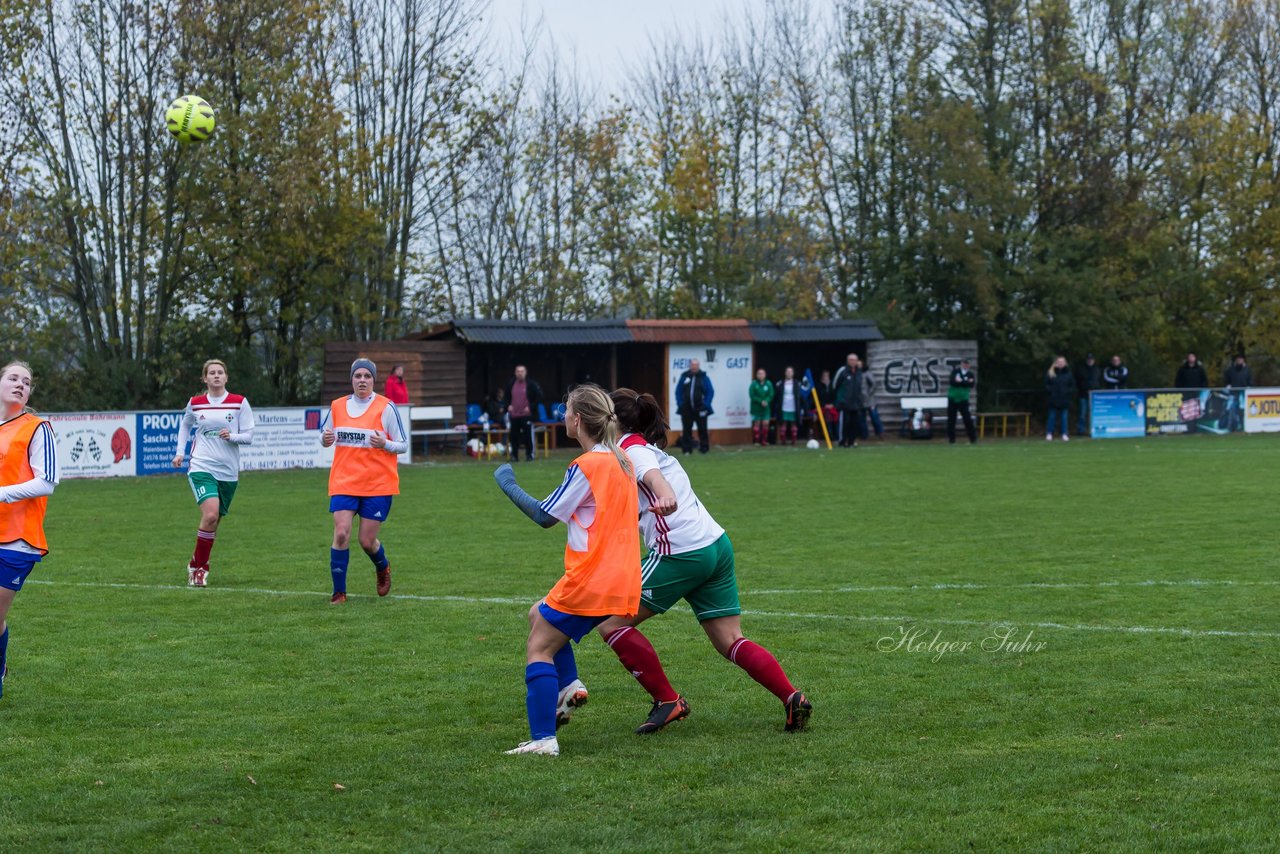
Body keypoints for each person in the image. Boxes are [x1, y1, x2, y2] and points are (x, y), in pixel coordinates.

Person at [564, 389, 811, 735]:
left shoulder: (632, 451)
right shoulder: (642, 448)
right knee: (729, 640)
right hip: (715, 546)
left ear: (612, 420)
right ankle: (791, 697)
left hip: (679, 553)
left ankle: (668, 701)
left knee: (610, 623)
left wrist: (663, 495)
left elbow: (653, 479)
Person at [491, 384, 642, 756]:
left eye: (566, 412)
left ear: (577, 420)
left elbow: (545, 515)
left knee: (539, 646)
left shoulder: (588, 465)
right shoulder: (623, 461)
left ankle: (543, 739)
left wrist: (507, 483)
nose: (563, 418)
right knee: (536, 615)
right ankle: (570, 686)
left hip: (592, 576)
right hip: (622, 577)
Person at [320, 358, 406, 604]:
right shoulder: (337, 406)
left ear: (373, 380)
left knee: (366, 541)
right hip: (344, 481)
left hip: (377, 484)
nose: (362, 380)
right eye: (357, 376)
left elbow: (403, 444)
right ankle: (339, 592)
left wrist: (385, 444)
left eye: (367, 376)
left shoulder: (386, 407)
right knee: (341, 533)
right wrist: (325, 439)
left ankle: (383, 566)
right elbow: (325, 435)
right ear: (352, 379)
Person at [0, 361, 59, 702]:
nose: (21, 384)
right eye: (13, 378)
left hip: (19, 539)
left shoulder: (37, 427)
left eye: (27, 381)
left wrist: (3, 494)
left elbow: (47, 481)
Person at [171, 359, 255, 587]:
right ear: (205, 378)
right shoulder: (196, 403)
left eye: (220, 373)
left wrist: (233, 436)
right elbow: (185, 425)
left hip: (228, 472)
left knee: (214, 521)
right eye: (212, 373)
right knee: (210, 515)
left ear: (226, 377)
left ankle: (195, 561)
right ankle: (201, 569)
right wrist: (180, 453)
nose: (216, 376)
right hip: (201, 466)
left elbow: (248, 436)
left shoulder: (239, 403)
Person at [674, 358, 714, 454]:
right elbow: (678, 391)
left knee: (702, 429)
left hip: (701, 408)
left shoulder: (704, 377)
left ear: (698, 366)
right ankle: (687, 450)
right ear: (690, 366)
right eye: (693, 365)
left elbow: (710, 392)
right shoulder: (684, 376)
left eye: (696, 365)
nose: (694, 367)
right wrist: (681, 404)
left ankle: (704, 449)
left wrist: (706, 404)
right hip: (686, 408)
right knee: (686, 429)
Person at [505, 365, 544, 462]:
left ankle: (529, 455)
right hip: (514, 415)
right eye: (518, 371)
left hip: (527, 415)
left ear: (525, 372)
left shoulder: (531, 384)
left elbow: (540, 397)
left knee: (528, 436)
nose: (520, 373)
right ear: (515, 373)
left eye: (522, 371)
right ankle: (514, 456)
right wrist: (508, 406)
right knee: (514, 437)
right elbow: (506, 397)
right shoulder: (511, 384)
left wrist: (530, 407)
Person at [832, 354, 860, 447]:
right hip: (844, 403)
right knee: (844, 424)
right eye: (851, 360)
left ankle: (851, 442)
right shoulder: (842, 371)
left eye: (854, 360)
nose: (852, 362)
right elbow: (835, 385)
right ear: (848, 360)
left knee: (854, 424)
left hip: (855, 403)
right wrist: (839, 399)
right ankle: (842, 441)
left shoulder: (858, 372)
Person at [947, 358, 977, 444]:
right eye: (964, 364)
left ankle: (973, 439)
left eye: (967, 364)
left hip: (963, 399)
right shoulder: (955, 372)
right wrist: (965, 382)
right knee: (951, 419)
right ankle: (951, 440)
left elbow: (971, 384)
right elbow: (952, 382)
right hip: (953, 398)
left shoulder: (970, 374)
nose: (965, 365)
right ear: (961, 364)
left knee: (967, 419)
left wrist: (961, 381)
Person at [1044, 356, 1074, 441]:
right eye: (1059, 362)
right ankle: (1049, 433)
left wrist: (1067, 392)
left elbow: (1072, 385)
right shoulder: (1050, 373)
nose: (1060, 363)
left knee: (1064, 417)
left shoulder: (1068, 373)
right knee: (1051, 416)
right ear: (1056, 363)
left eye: (1062, 362)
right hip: (1053, 399)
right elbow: (1046, 385)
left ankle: (1064, 434)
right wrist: (1051, 392)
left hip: (1064, 399)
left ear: (1065, 363)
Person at [773, 367, 802, 445]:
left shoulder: (797, 383)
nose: (789, 373)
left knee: (793, 423)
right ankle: (783, 441)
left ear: (793, 373)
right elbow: (776, 396)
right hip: (784, 406)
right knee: (783, 423)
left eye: (791, 371)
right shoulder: (780, 383)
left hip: (793, 406)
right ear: (785, 373)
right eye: (787, 371)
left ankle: (793, 441)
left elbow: (801, 396)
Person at [1075, 353, 1101, 435]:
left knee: (1094, 414)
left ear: (1094, 360)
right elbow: (1078, 381)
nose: (1090, 360)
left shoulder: (1097, 369)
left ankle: (1093, 430)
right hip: (1083, 394)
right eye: (1089, 359)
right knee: (1082, 413)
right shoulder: (1081, 369)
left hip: (1094, 395)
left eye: (1091, 359)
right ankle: (1081, 430)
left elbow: (1099, 381)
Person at [748, 368, 774, 446]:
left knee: (766, 423)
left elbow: (771, 394)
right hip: (756, 407)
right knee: (757, 423)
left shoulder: (768, 384)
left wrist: (766, 401)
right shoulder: (754, 384)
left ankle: (764, 440)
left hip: (766, 408)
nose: (761, 375)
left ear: (765, 375)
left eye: (762, 373)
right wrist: (760, 401)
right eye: (759, 373)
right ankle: (756, 441)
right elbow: (752, 395)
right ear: (756, 375)